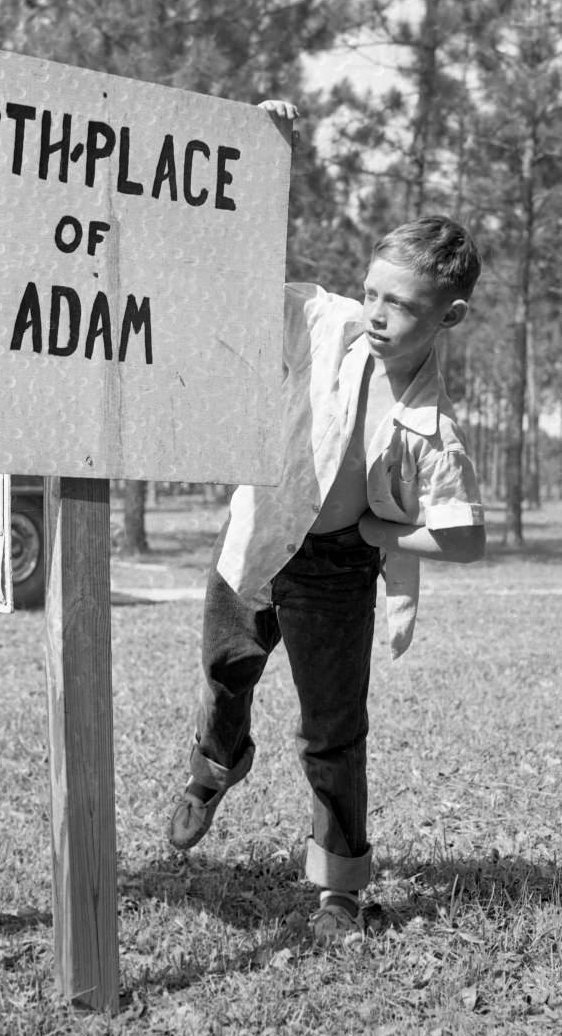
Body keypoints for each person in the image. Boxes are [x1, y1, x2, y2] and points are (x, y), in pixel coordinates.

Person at [167, 105, 487, 944]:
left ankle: (338, 887)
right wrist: (268, 159)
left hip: (336, 571)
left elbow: (465, 537)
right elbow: (235, 277)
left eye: (403, 306)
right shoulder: (326, 322)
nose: (378, 314)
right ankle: (214, 767)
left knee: (333, 731)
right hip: (260, 536)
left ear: (448, 318)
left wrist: (385, 545)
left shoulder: (432, 428)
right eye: (375, 291)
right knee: (225, 673)